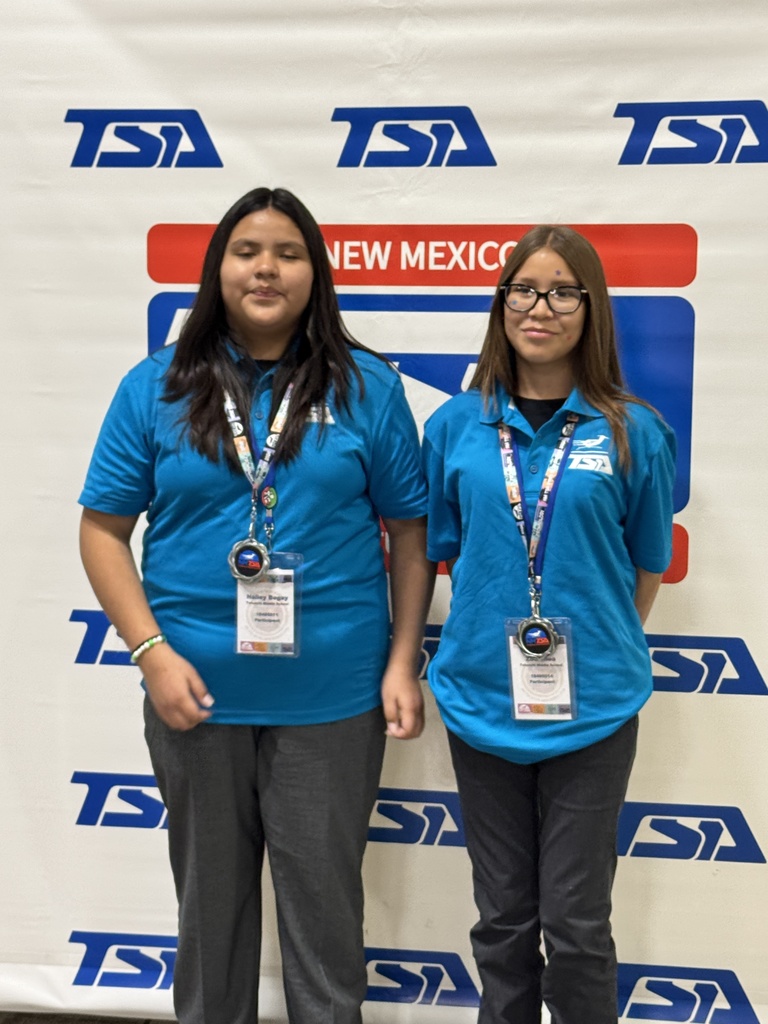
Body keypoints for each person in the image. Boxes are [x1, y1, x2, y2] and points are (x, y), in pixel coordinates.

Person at [78, 186, 433, 1024]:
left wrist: (400, 660)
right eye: (247, 251)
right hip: (193, 696)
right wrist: (150, 654)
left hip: (334, 702)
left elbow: (411, 540)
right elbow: (102, 533)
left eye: (288, 252)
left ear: (316, 273)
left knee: (324, 921)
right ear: (218, 269)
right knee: (211, 921)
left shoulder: (368, 388)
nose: (266, 267)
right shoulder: (155, 386)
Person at [422, 225, 676, 1024]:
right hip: (481, 704)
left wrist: (599, 644)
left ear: (591, 308)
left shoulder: (632, 430)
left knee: (576, 924)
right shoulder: (456, 428)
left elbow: (646, 566)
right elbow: (454, 556)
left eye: (564, 291)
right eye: (524, 290)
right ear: (501, 305)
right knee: (502, 921)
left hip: (594, 709)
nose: (542, 307)